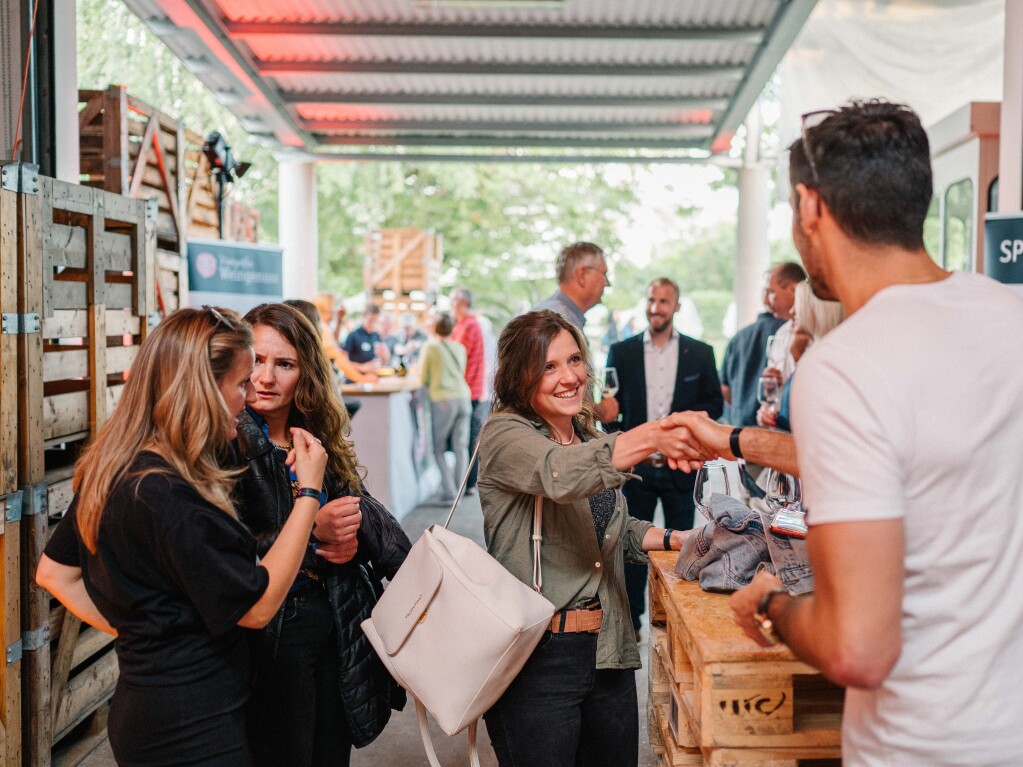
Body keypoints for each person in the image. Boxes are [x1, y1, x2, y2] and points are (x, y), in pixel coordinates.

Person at [686, 100, 1023, 766]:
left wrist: (775, 605)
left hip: (920, 743)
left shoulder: (845, 367)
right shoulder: (1008, 314)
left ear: (810, 207)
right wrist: (730, 439)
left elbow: (856, 647)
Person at [35, 306, 328, 767]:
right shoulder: (170, 497)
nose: (249, 394)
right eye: (240, 383)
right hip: (192, 727)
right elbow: (258, 606)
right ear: (206, 389)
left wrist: (146, 636)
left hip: (150, 705)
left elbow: (55, 572)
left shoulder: (119, 466)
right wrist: (309, 494)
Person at [477, 309, 708, 767]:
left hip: (610, 649)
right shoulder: (505, 434)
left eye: (575, 360)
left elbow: (611, 534)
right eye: (548, 366)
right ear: (518, 376)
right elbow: (558, 475)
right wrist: (655, 435)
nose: (569, 377)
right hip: (540, 656)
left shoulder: (586, 434)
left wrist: (677, 538)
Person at [236, 303, 411, 767]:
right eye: (256, 359)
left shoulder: (315, 434)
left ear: (306, 372)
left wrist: (349, 540)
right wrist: (311, 528)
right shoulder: (221, 440)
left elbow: (360, 510)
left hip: (334, 617)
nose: (265, 377)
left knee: (330, 751)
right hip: (269, 635)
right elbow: (216, 551)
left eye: (284, 364)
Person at [605, 277, 724, 637]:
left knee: (682, 546)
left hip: (679, 469)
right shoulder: (621, 351)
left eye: (664, 301)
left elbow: (713, 404)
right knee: (633, 549)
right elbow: (612, 408)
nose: (656, 307)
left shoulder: (700, 352)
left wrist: (685, 429)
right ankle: (633, 623)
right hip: (637, 470)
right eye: (652, 300)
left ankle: (674, 620)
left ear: (677, 306)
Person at [534, 241, 619, 423]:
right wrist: (600, 411)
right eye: (603, 274)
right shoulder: (558, 321)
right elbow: (552, 398)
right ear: (582, 275)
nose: (607, 283)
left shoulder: (557, 314)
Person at [756, 281, 843, 431]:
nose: (792, 311)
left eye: (799, 304)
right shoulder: (785, 334)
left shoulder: (836, 358)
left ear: (818, 310)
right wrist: (768, 409)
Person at [718, 264, 795, 427]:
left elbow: (725, 390)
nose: (766, 300)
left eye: (771, 292)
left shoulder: (738, 337)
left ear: (793, 289)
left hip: (743, 429)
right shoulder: (782, 333)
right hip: (770, 431)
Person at [420, 312, 473, 504]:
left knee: (439, 448)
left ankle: (449, 492)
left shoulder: (430, 347)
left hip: (443, 400)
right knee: (461, 447)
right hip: (463, 397)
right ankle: (459, 491)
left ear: (434, 327)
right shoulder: (459, 347)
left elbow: (422, 377)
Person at [450, 287, 486, 493]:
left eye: (453, 301)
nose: (451, 306)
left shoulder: (469, 326)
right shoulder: (464, 324)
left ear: (463, 302)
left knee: (468, 440)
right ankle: (468, 482)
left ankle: (470, 483)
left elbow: (457, 357)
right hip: (468, 388)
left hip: (469, 388)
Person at [342, 304, 388, 376]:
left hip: (372, 378)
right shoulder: (353, 335)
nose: (372, 323)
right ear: (364, 316)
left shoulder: (377, 336)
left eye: (375, 321)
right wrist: (362, 367)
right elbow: (342, 361)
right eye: (370, 320)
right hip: (355, 379)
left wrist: (385, 357)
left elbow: (382, 362)